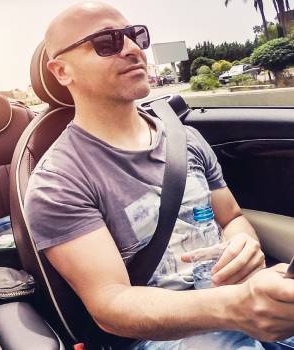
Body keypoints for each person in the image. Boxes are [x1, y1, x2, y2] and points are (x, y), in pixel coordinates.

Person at [23, 2, 294, 349]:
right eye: (107, 42)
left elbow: (233, 218)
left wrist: (245, 244)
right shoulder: (57, 180)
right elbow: (110, 304)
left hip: (241, 300)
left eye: (136, 36)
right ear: (61, 71)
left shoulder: (186, 139)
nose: (133, 49)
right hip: (167, 336)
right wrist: (232, 308)